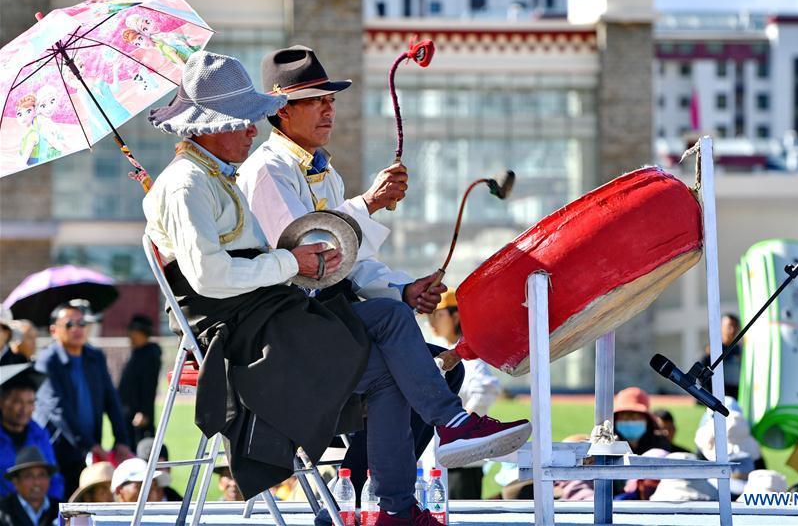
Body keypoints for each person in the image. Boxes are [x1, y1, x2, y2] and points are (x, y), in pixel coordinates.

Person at [142, 51, 531, 526]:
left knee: (396, 342)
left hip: (276, 319)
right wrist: (306, 248)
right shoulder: (193, 184)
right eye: (244, 120)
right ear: (206, 127)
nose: (252, 128)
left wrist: (400, 287)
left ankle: (394, 501)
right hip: (252, 338)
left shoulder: (213, 179)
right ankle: (417, 469)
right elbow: (225, 274)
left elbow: (338, 259)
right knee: (393, 338)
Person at [237, 45, 467, 498]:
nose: (329, 109)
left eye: (331, 99)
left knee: (444, 367)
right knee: (405, 365)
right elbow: (313, 254)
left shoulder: (325, 173)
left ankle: (366, 488)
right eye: (316, 99)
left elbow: (354, 264)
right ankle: (375, 492)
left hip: (332, 320)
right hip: (294, 328)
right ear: (282, 111)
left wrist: (403, 289)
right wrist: (368, 204)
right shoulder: (267, 171)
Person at [33, 301, 131, 498]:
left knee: (89, 507)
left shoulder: (94, 356)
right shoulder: (46, 361)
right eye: (69, 324)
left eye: (82, 323)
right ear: (54, 330)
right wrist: (90, 445)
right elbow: (57, 408)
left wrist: (122, 440)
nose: (77, 329)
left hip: (90, 450)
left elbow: (111, 399)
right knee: (61, 505)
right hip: (57, 450)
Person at [427, 289, 502, 499]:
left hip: (463, 461)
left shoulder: (468, 355)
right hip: (438, 457)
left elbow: (486, 388)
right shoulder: (440, 350)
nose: (432, 322)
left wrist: (463, 424)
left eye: (438, 314)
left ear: (456, 315)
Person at [0, 365, 64, 501]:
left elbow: (55, 480)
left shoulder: (40, 435)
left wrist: (49, 510)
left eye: (30, 402)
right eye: (18, 401)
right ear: (2, 402)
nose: (24, 409)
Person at [117, 315, 162, 447]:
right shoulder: (138, 353)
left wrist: (144, 412)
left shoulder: (149, 355)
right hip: (128, 413)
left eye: (132, 331)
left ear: (141, 333)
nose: (129, 335)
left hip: (138, 416)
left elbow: (149, 385)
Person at [0, 446, 60, 526]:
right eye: (28, 476)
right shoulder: (3, 513)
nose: (37, 482)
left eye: (42, 475)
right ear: (16, 482)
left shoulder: (60, 510)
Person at [612, 387, 670, 455]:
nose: (630, 420)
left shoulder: (660, 442)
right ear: (616, 419)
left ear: (647, 419)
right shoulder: (607, 444)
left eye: (635, 415)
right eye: (624, 415)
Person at [699, 313, 742, 399]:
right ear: (721, 328)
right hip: (717, 398)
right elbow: (702, 375)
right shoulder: (713, 351)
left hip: (737, 397)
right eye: (729, 326)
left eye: (735, 326)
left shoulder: (740, 351)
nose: (732, 330)